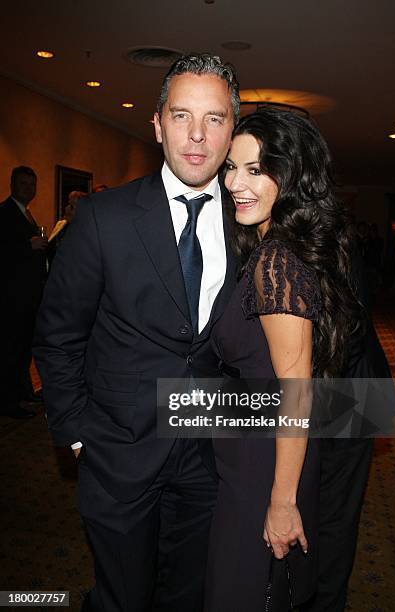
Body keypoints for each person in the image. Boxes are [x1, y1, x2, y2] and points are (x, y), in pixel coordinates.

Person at [33, 54, 239, 612]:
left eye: (215, 118)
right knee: (122, 597)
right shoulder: (105, 217)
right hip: (118, 454)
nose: (197, 136)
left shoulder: (249, 224)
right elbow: (58, 335)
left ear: (232, 129)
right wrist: (77, 432)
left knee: (189, 595)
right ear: (157, 124)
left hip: (210, 461)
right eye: (181, 116)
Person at [203, 109, 364, 611]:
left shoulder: (278, 261)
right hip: (263, 452)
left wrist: (281, 501)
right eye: (232, 166)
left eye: (255, 170)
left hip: (266, 464)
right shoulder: (276, 246)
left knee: (242, 593)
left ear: (291, 177)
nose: (234, 182)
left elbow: (297, 391)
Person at [0, 166, 47, 419]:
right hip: (11, 299)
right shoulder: (4, 213)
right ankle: (8, 402)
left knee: (23, 350)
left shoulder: (27, 214)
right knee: (9, 350)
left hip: (28, 297)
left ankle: (22, 393)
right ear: (12, 185)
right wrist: (26, 247)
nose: (28, 189)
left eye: (32, 184)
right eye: (23, 184)